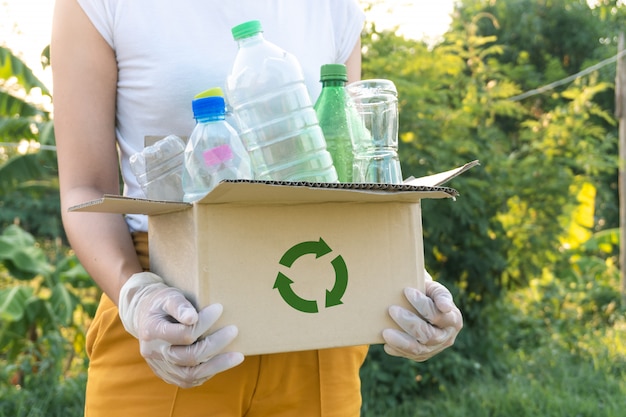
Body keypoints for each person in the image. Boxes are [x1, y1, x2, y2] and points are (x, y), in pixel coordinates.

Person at [51, 0, 463, 416]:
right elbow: (84, 188)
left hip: (313, 307)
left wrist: (408, 278)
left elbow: (343, 174)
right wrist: (136, 297)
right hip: (173, 319)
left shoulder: (333, 9)